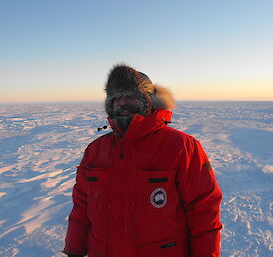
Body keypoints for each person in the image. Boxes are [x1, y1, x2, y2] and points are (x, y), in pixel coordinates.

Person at [63, 64, 223, 257]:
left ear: (148, 101)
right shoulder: (95, 151)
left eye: (131, 96)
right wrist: (74, 250)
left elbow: (204, 211)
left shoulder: (182, 147)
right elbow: (82, 208)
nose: (122, 103)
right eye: (116, 98)